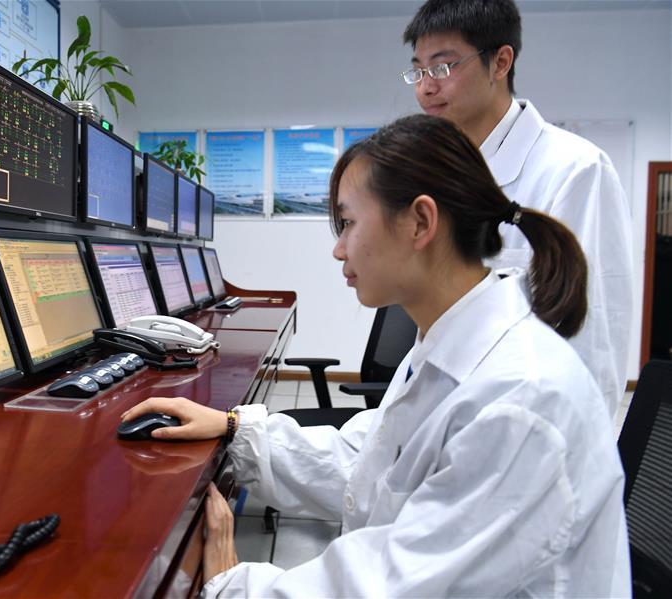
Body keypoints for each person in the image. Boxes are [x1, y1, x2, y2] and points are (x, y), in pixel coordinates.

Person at [122, 116, 629, 597]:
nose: (339, 250)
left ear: (420, 222)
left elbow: (397, 586)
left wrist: (233, 585)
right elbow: (368, 466)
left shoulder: (518, 399)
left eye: (346, 223)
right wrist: (237, 430)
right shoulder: (450, 344)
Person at [402, 0, 633, 419]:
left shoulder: (575, 170)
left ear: (500, 62)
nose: (425, 87)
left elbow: (592, 340)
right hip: (449, 416)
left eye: (442, 67)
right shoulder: (441, 172)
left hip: (529, 433)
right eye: (418, 71)